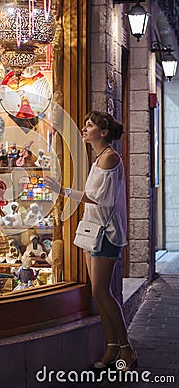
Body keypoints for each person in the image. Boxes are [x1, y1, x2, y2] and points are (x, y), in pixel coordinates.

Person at [45, 110, 136, 371]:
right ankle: (111, 347)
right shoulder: (99, 159)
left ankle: (126, 347)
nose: (84, 129)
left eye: (89, 125)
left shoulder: (110, 158)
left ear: (103, 132)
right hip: (93, 231)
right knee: (98, 293)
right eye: (85, 125)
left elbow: (101, 199)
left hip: (107, 234)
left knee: (102, 293)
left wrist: (63, 191)